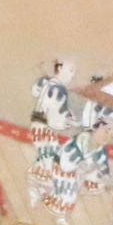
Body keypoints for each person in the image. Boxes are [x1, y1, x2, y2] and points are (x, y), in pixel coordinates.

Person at [27, 58, 76, 189]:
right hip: (44, 128)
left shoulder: (45, 82)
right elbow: (55, 121)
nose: (73, 75)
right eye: (71, 70)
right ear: (59, 68)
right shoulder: (60, 90)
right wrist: (68, 122)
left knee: (46, 155)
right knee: (51, 157)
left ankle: (39, 179)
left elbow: (35, 91)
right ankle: (44, 182)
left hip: (36, 125)